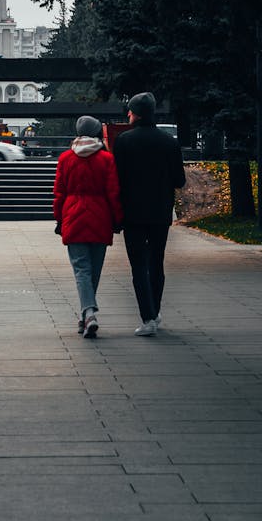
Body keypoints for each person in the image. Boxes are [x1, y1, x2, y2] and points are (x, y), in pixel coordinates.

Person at [113, 92, 185, 337]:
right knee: (156, 262)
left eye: (130, 111)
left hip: (132, 213)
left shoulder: (123, 141)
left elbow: (117, 179)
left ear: (136, 113)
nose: (128, 115)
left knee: (138, 266)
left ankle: (148, 317)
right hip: (160, 212)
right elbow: (179, 180)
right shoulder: (169, 142)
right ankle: (155, 312)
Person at [54, 115, 124, 338]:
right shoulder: (106, 159)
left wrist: (59, 219)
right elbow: (114, 193)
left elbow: (59, 193)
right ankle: (88, 314)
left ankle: (88, 314)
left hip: (73, 216)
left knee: (82, 270)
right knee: (94, 270)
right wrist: (117, 219)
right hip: (100, 217)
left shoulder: (65, 158)